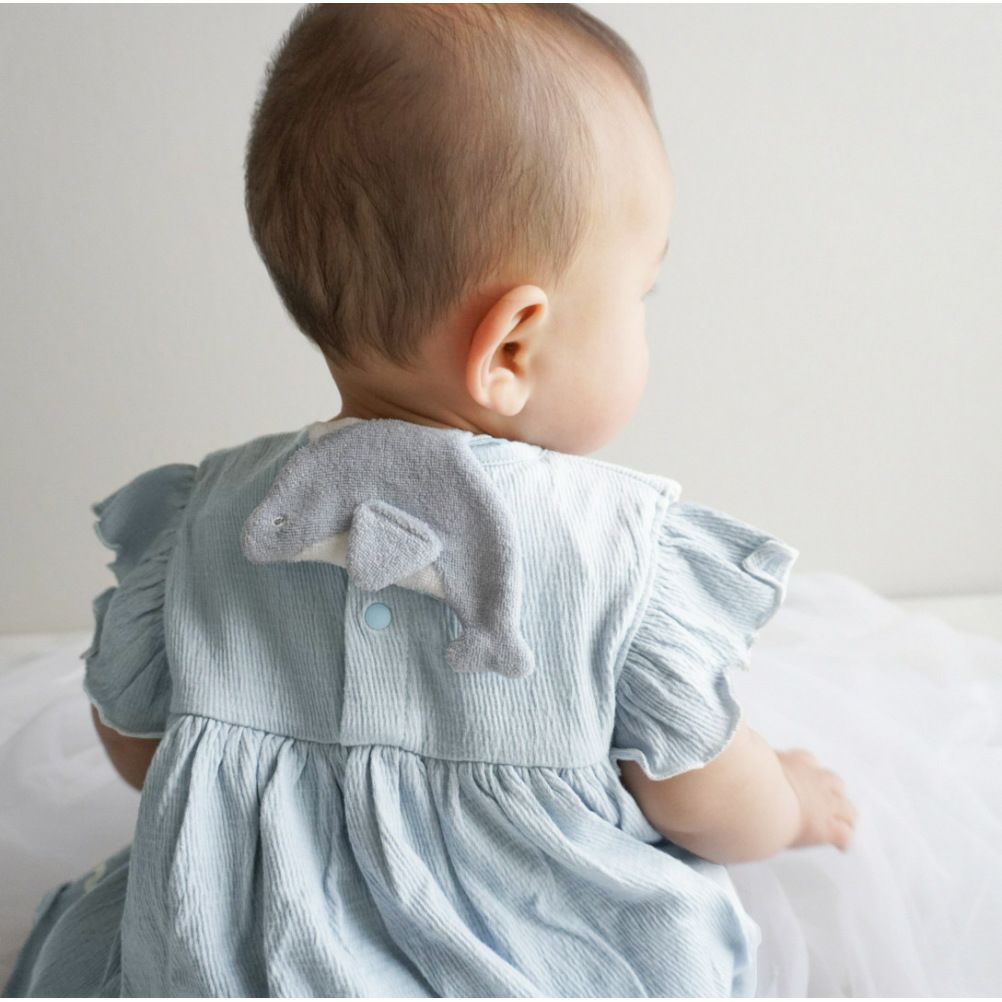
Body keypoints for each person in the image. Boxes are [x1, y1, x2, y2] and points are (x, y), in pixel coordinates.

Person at [3, 4, 856, 996]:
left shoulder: (206, 519)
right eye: (639, 296)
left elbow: (136, 749)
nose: (643, 320)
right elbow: (706, 801)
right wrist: (792, 803)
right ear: (512, 348)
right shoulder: (615, 556)